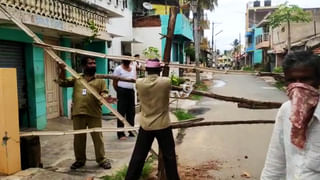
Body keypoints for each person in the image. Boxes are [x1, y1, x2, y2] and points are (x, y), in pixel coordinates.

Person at [261, 50, 320, 180]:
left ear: (317, 80)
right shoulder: (286, 111)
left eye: (305, 79)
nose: (298, 86)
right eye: (292, 80)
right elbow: (275, 163)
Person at [56, 56, 116, 170]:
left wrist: (106, 98)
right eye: (90, 63)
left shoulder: (100, 80)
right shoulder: (77, 78)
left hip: (94, 113)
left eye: (94, 63)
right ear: (84, 66)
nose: (93, 65)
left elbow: (104, 92)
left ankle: (101, 159)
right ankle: (79, 160)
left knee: (98, 137)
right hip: (78, 113)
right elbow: (62, 83)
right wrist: (62, 70)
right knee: (79, 138)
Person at [125, 59, 180, 180]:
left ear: (146, 70)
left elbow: (138, 80)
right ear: (159, 70)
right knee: (169, 157)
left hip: (146, 125)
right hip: (163, 125)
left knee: (138, 157)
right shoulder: (165, 82)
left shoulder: (139, 83)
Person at [113, 53, 136, 140]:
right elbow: (114, 82)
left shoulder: (133, 68)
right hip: (121, 91)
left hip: (131, 92)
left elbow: (134, 79)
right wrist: (119, 91)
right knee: (121, 112)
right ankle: (121, 133)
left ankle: (131, 131)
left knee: (131, 112)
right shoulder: (118, 69)